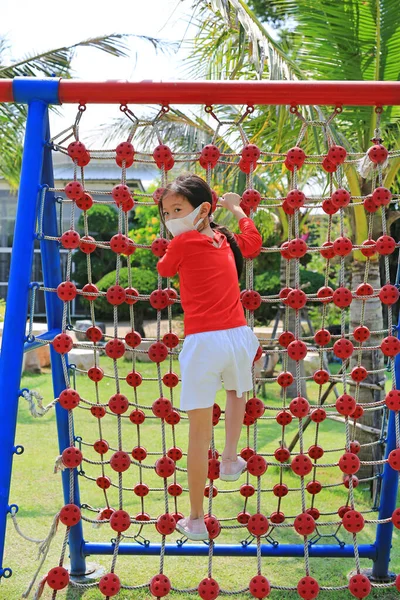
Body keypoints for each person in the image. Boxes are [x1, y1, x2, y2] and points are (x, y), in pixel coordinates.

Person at [156, 174, 262, 541]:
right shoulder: (226, 239)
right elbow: (254, 240)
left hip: (203, 342)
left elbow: (165, 270)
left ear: (202, 208)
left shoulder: (183, 242)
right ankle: (231, 458)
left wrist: (175, 242)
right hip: (237, 336)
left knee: (199, 433)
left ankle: (197, 518)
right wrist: (238, 209)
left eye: (177, 210)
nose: (171, 218)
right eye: (167, 213)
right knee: (237, 394)